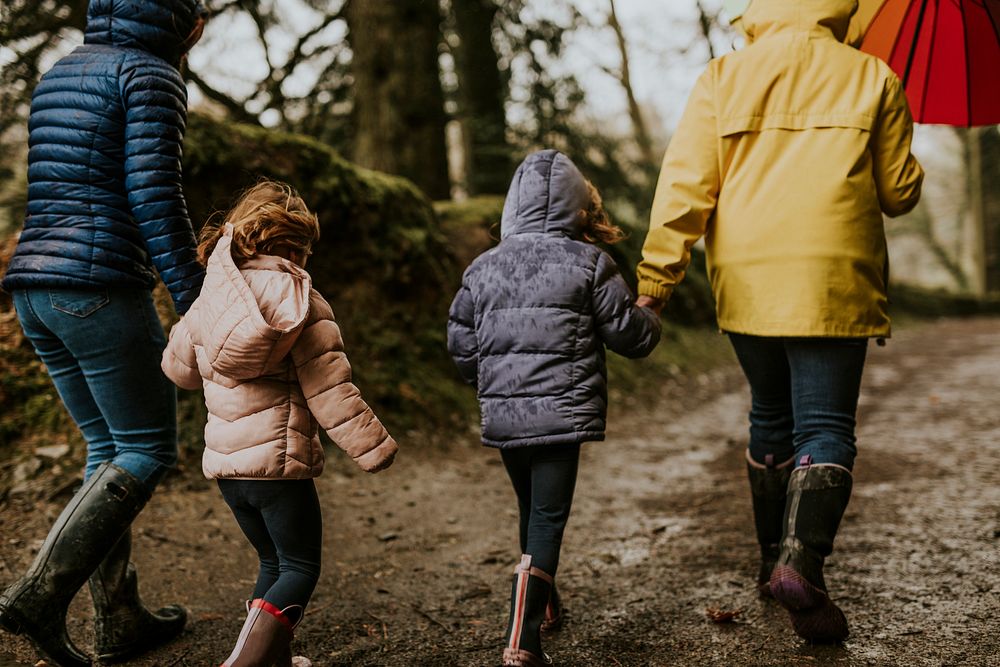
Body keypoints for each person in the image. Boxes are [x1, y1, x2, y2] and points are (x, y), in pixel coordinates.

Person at [635, 0, 923, 644]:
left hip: (748, 278)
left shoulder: (722, 76)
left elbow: (686, 187)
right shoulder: (873, 75)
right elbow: (900, 193)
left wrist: (657, 280)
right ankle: (801, 560)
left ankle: (771, 561)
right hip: (834, 278)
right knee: (823, 425)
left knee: (770, 414)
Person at [0, 0, 209, 664]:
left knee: (107, 448)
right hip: (98, 290)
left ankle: (117, 617)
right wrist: (197, 301)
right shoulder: (150, 76)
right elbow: (155, 196)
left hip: (34, 289)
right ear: (174, 16)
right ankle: (36, 596)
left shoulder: (64, 69)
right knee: (148, 448)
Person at [161, 180, 398, 664]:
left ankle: (272, 658)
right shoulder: (303, 303)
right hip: (277, 467)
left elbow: (179, 372)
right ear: (295, 245)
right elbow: (330, 390)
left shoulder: (212, 299)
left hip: (228, 470)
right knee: (299, 565)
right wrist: (373, 447)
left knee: (273, 561)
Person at [448, 150, 661, 666]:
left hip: (506, 416)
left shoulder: (483, 268)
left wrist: (495, 379)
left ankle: (543, 609)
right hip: (561, 416)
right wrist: (649, 314)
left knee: (530, 509)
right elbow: (629, 337)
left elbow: (461, 348)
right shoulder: (589, 262)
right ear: (578, 208)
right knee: (547, 517)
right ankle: (522, 640)